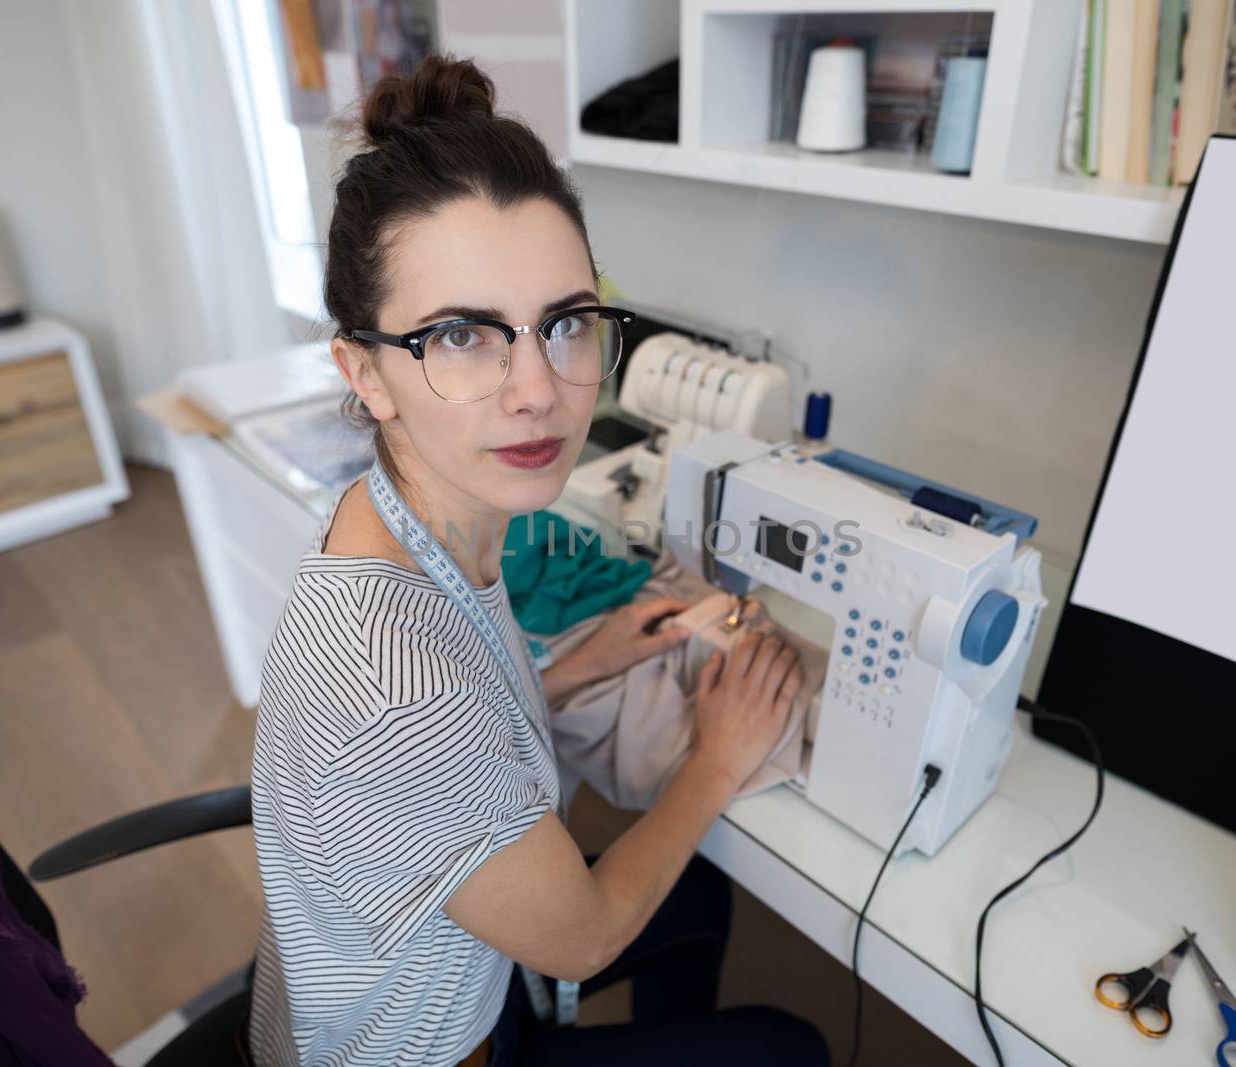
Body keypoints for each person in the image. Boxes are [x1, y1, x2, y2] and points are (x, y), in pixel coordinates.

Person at [249, 54, 828, 1067]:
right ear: (364, 371)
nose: (538, 389)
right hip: (422, 1046)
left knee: (695, 893)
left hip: (442, 954)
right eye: (463, 335)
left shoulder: (402, 519)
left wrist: (578, 664)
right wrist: (719, 757)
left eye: (562, 322)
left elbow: (453, 716)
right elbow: (586, 930)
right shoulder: (399, 686)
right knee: (788, 1043)